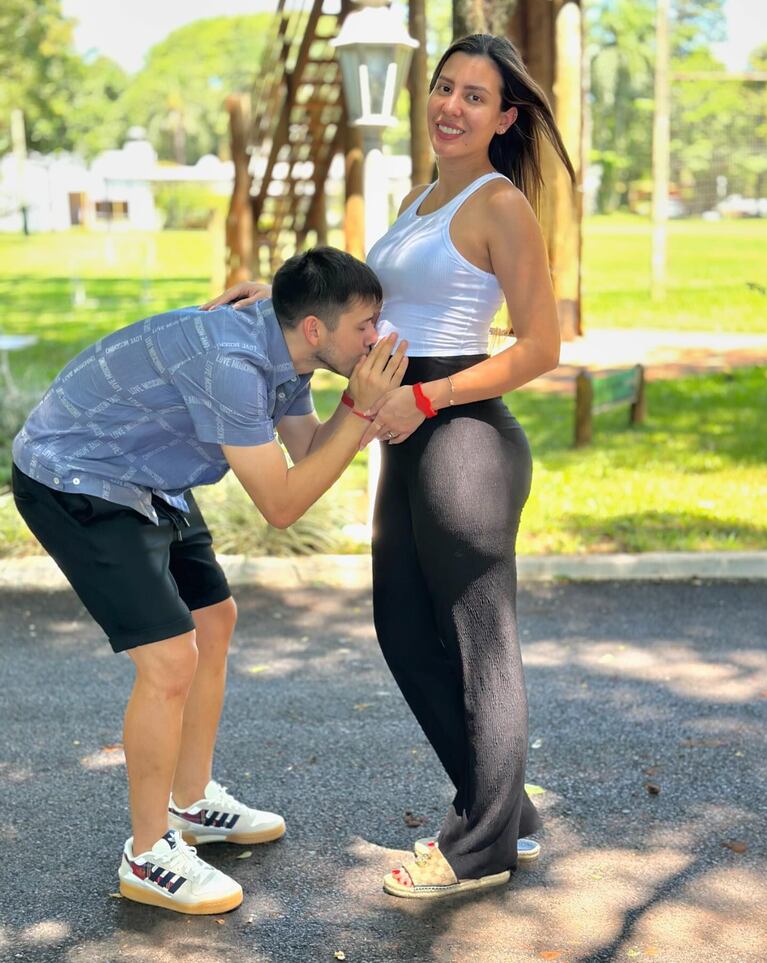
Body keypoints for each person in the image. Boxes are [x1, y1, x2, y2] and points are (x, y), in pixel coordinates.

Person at [205, 33, 574, 899]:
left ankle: (481, 845)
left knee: (482, 645)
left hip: (462, 433)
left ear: (504, 117)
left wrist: (430, 401)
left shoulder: (497, 204)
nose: (451, 105)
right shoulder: (422, 198)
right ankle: (502, 805)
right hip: (408, 427)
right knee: (403, 628)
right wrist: (281, 296)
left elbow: (542, 345)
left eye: (474, 97)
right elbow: (376, 302)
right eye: (444, 88)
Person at [11, 247, 407, 915]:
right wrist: (363, 410)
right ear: (314, 328)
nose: (378, 339)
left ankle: (189, 803)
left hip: (147, 473)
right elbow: (282, 505)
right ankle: (146, 854)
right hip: (76, 474)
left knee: (212, 619)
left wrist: (354, 407)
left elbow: (310, 450)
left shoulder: (284, 349)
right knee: (170, 659)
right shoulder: (234, 365)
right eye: (366, 326)